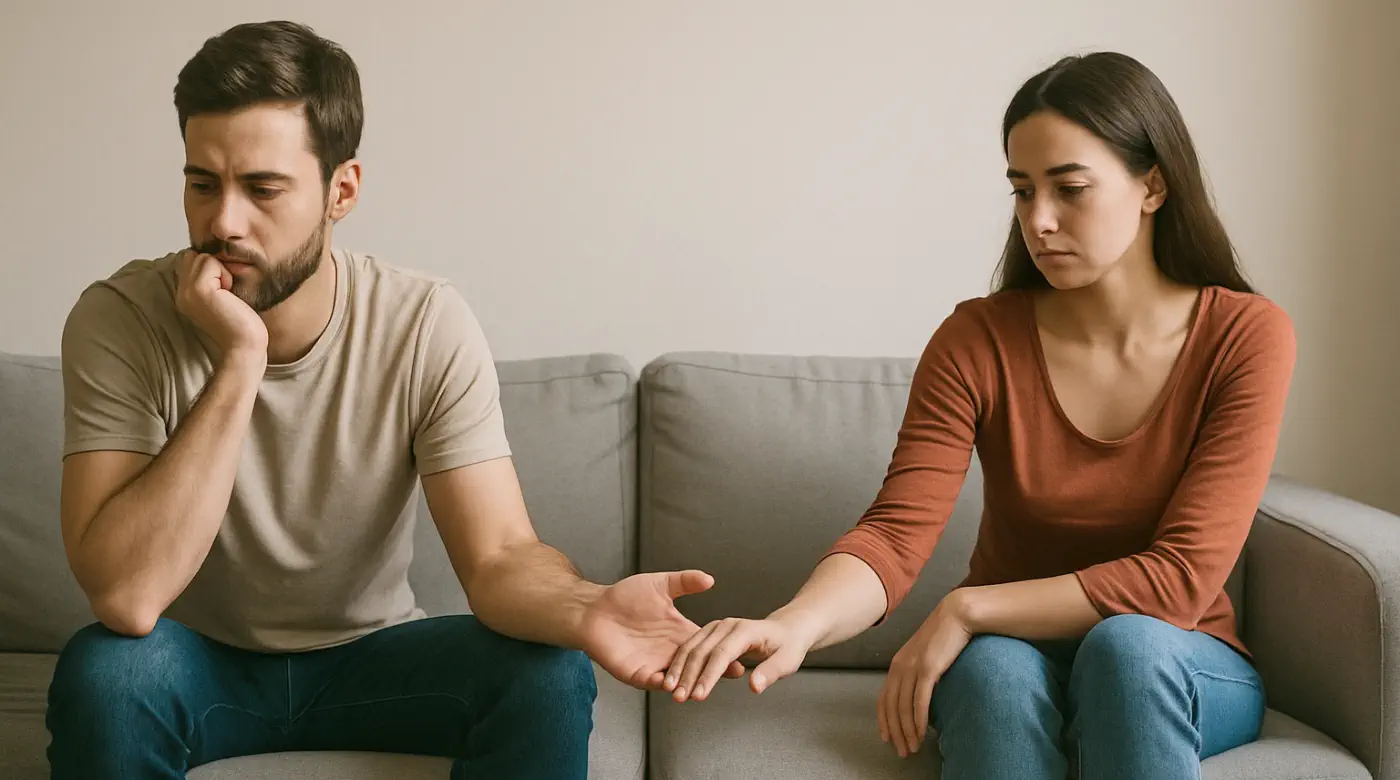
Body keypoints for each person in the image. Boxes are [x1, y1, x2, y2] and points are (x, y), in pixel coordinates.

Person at [47, 20, 738, 780]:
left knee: (548, 673)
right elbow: (127, 599)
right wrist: (241, 359)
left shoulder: (423, 323)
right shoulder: (121, 318)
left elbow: (499, 556)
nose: (222, 223)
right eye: (202, 184)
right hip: (195, 662)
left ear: (341, 190)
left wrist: (586, 607)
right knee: (106, 675)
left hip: (373, 659)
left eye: (263, 189)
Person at [661, 51, 1296, 780]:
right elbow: (896, 534)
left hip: (1177, 658)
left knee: (1127, 648)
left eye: (1070, 189)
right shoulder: (977, 339)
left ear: (1152, 185)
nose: (1039, 220)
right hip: (1014, 657)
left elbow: (1178, 580)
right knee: (994, 673)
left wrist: (968, 609)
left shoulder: (1245, 335)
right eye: (1023, 191)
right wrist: (793, 624)